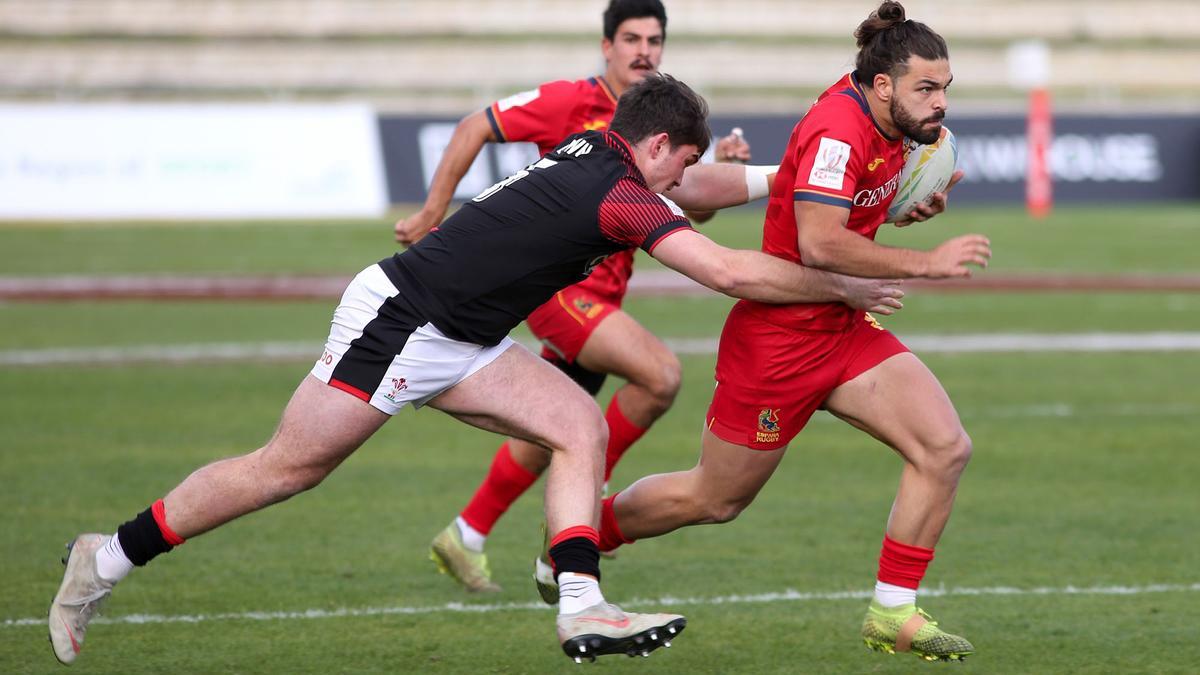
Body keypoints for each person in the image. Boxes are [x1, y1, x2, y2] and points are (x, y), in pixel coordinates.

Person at [48, 74, 906, 666]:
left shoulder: (599, 153)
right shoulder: (617, 190)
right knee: (286, 469)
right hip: (400, 321)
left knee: (575, 423)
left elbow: (700, 192)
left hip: (463, 337)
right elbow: (725, 271)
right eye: (684, 161)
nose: (687, 176)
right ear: (653, 146)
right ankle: (106, 556)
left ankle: (581, 604)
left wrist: (779, 179)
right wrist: (841, 278)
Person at [536, 2, 990, 662]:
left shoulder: (891, 117)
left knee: (944, 446)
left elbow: (854, 213)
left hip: (842, 323)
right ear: (884, 85)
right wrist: (930, 264)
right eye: (928, 87)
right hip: (778, 337)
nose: (941, 101)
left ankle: (893, 610)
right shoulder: (840, 130)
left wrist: (905, 209)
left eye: (946, 86)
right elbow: (821, 241)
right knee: (714, 499)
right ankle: (577, 537)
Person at [396, 0, 756, 593]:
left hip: (603, 293)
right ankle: (587, 509)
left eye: (655, 40)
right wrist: (435, 209)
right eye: (632, 38)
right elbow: (474, 126)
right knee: (659, 375)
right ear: (607, 46)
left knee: (550, 431)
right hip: (556, 290)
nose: (645, 50)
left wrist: (717, 178)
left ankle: (467, 532)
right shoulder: (569, 101)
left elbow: (687, 212)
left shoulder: (660, 129)